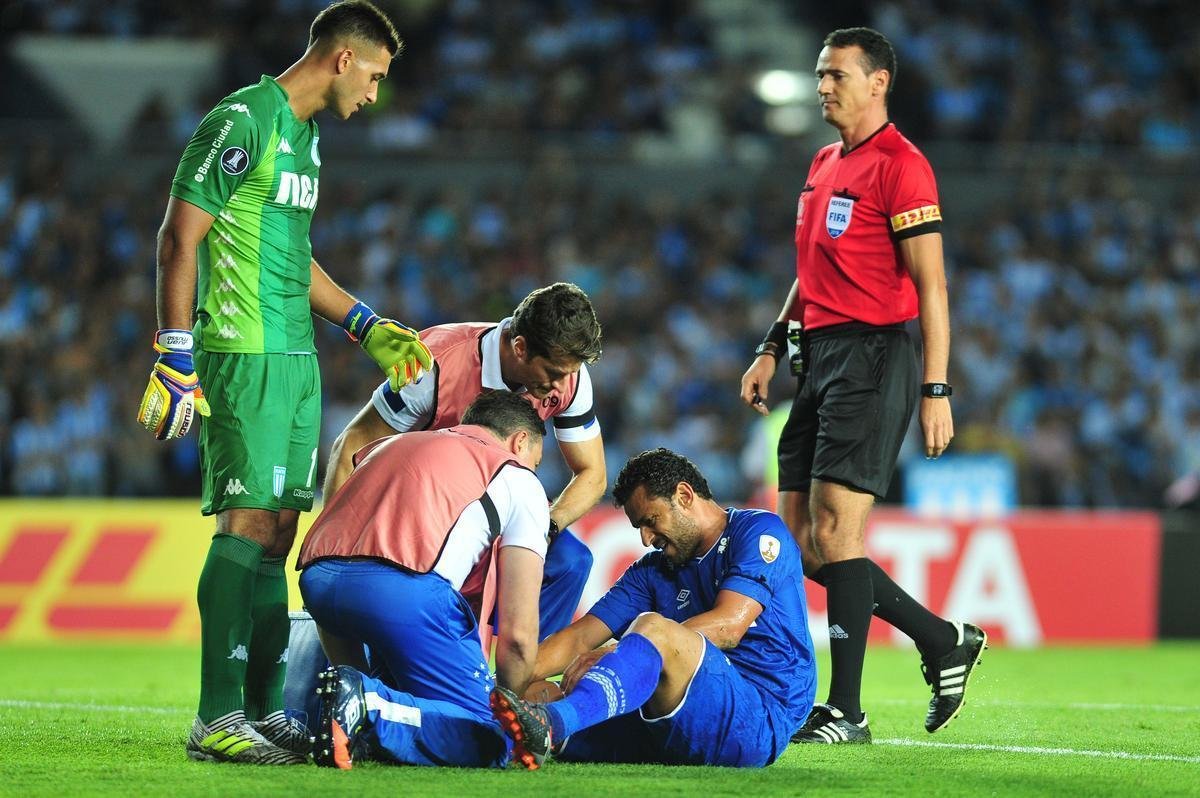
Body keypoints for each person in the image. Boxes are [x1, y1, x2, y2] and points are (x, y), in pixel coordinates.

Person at [135, 1, 432, 765]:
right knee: (246, 522)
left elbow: (294, 260)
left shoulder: (306, 140)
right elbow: (179, 235)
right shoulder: (243, 120)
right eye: (374, 76)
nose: (374, 94)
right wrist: (174, 351)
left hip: (296, 362)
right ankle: (216, 716)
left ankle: (263, 713)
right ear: (342, 59)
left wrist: (366, 325)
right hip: (242, 351)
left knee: (277, 533)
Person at [738, 27, 986, 744]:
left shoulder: (904, 168)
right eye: (819, 74)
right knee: (798, 545)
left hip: (876, 358)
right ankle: (941, 640)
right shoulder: (821, 164)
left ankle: (846, 711)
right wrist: (770, 344)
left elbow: (932, 287)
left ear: (878, 82)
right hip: (816, 357)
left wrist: (937, 390)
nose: (822, 86)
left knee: (838, 534)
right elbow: (808, 274)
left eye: (837, 75)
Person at [490, 448, 817, 769]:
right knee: (529, 692)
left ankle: (552, 726)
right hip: (669, 723)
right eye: (639, 528)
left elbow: (729, 626)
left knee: (652, 628)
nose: (646, 538)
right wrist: (494, 686)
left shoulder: (757, 531)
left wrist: (620, 651)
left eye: (650, 521)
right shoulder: (652, 571)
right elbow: (578, 639)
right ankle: (492, 724)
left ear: (685, 496)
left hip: (753, 719)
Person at [324, 281, 605, 638]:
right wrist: (333, 554)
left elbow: (593, 474)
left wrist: (545, 528)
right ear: (520, 347)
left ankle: (519, 677)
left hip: (494, 514)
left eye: (568, 374)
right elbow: (353, 443)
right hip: (423, 513)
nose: (561, 385)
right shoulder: (435, 364)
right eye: (553, 374)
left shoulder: (570, 377)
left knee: (570, 562)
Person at [300, 391, 551, 769]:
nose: (533, 469)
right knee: (490, 735)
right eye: (536, 460)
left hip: (319, 581)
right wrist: (508, 712)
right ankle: (368, 705)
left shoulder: (393, 443)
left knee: (411, 703)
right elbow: (517, 637)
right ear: (520, 442)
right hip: (401, 594)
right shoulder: (516, 476)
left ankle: (362, 711)